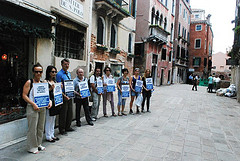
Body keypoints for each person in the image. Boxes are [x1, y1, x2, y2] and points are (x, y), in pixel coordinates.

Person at [22, 63, 52, 154]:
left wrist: (49, 102)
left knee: (40, 127)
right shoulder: (29, 82)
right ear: (33, 72)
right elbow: (24, 95)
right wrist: (33, 103)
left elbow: (46, 95)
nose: (38, 73)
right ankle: (32, 147)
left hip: (42, 107)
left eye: (40, 72)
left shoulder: (43, 83)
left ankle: (38, 144)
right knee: (32, 128)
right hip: (32, 107)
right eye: (36, 72)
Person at [56, 58, 74, 135]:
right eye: (65, 64)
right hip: (63, 96)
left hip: (70, 95)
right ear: (62, 65)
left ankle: (68, 126)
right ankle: (62, 129)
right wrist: (64, 96)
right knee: (63, 113)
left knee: (70, 111)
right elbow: (58, 87)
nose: (67, 66)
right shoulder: (59, 74)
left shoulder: (68, 73)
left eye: (68, 64)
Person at [45, 65, 60, 143]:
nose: (54, 73)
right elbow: (43, 93)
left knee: (53, 119)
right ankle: (48, 136)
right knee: (48, 119)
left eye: (55, 72)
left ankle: (52, 134)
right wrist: (50, 88)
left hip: (55, 101)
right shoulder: (45, 81)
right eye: (52, 72)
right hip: (49, 102)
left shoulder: (55, 81)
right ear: (49, 72)